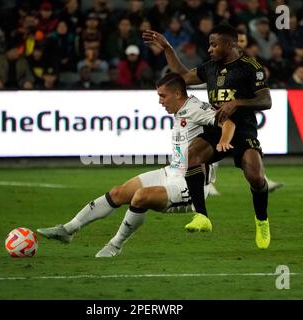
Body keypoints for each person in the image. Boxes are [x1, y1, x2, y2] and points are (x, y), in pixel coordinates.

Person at [37, 72, 235, 257]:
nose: (160, 102)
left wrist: (224, 140)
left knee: (140, 197)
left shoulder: (195, 108)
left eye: (163, 96)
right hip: (170, 171)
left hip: (189, 185)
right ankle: (68, 230)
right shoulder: (183, 108)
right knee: (118, 192)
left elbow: (227, 122)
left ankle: (114, 246)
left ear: (177, 93)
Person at [143, 24, 272, 249]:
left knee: (256, 177)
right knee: (192, 153)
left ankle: (261, 220)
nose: (210, 49)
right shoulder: (210, 67)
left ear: (230, 44)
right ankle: (202, 216)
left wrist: (238, 102)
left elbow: (266, 101)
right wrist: (167, 48)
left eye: (214, 44)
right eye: (209, 44)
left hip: (243, 130)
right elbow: (182, 76)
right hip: (217, 126)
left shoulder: (251, 67)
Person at [207, 30, 284, 196]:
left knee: (247, 149)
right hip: (222, 112)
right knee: (213, 144)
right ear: (233, 42)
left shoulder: (250, 62)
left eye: (244, 40)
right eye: (239, 40)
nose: (241, 43)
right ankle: (208, 182)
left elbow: (260, 85)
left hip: (241, 114)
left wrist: (243, 101)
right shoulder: (221, 61)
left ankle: (262, 178)